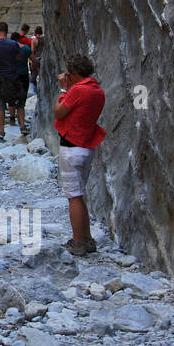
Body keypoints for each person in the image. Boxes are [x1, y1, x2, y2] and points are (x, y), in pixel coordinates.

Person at [54, 52, 106, 256]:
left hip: (71, 147)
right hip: (87, 146)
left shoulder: (77, 90)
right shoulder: (98, 91)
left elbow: (59, 112)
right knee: (79, 194)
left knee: (73, 196)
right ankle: (88, 239)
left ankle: (77, 243)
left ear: (74, 74)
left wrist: (63, 89)